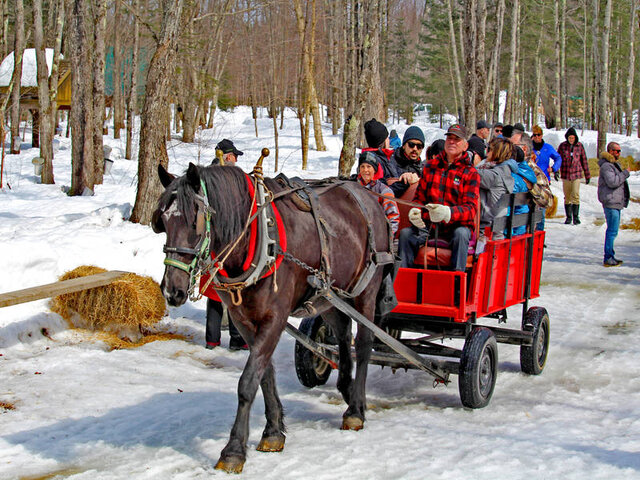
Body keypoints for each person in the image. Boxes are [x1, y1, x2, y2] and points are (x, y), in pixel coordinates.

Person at [398, 124, 480, 271]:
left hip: (456, 226)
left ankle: (456, 280)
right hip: (429, 225)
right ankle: (404, 278)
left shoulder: (470, 173)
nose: (452, 142)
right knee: (406, 234)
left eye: (457, 139)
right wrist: (416, 211)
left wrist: (448, 213)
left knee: (461, 234)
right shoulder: (430, 167)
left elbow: (470, 209)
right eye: (449, 138)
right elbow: (419, 198)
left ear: (465, 145)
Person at [205, 139, 248, 350]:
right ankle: (237, 339)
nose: (236, 160)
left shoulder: (206, 177)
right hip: (227, 244)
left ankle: (212, 339)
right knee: (231, 293)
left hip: (212, 245)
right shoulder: (228, 177)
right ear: (229, 156)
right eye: (235, 156)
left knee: (216, 295)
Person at [474, 137, 517, 232]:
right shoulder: (505, 171)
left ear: (497, 152)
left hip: (485, 228)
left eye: (489, 149)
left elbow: (468, 173)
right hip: (497, 226)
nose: (486, 152)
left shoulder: (493, 175)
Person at [598, 142, 630, 267]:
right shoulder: (607, 166)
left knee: (613, 231)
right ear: (611, 151)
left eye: (620, 151)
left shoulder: (613, 165)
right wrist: (625, 173)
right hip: (610, 202)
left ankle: (610, 255)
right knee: (612, 231)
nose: (619, 153)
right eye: (617, 151)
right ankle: (608, 257)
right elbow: (613, 182)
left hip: (615, 201)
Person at [356, 151, 400, 236]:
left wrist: (387, 237)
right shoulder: (354, 187)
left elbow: (393, 217)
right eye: (362, 167)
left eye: (369, 167)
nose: (365, 170)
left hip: (377, 233)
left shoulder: (384, 191)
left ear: (375, 169)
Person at [517, 132, 554, 230]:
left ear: (524, 149)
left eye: (512, 146)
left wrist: (532, 187)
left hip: (524, 227)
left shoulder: (547, 148)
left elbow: (548, 201)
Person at [557, 126, 590, 225]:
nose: (571, 139)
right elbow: (558, 159)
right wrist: (556, 171)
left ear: (575, 138)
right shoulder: (562, 146)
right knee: (567, 196)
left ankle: (576, 217)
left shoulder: (579, 146)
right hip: (566, 174)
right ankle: (568, 217)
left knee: (575, 194)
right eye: (569, 138)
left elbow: (584, 161)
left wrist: (587, 175)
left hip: (576, 174)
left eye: (573, 138)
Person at [361, 118, 400, 186]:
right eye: (387, 138)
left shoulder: (384, 157)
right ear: (382, 142)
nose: (389, 140)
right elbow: (378, 187)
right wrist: (403, 183)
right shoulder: (372, 161)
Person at [389, 125, 425, 197]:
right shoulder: (390, 162)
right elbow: (382, 191)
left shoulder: (423, 168)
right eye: (411, 145)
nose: (415, 149)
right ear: (404, 145)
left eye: (419, 146)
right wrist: (405, 182)